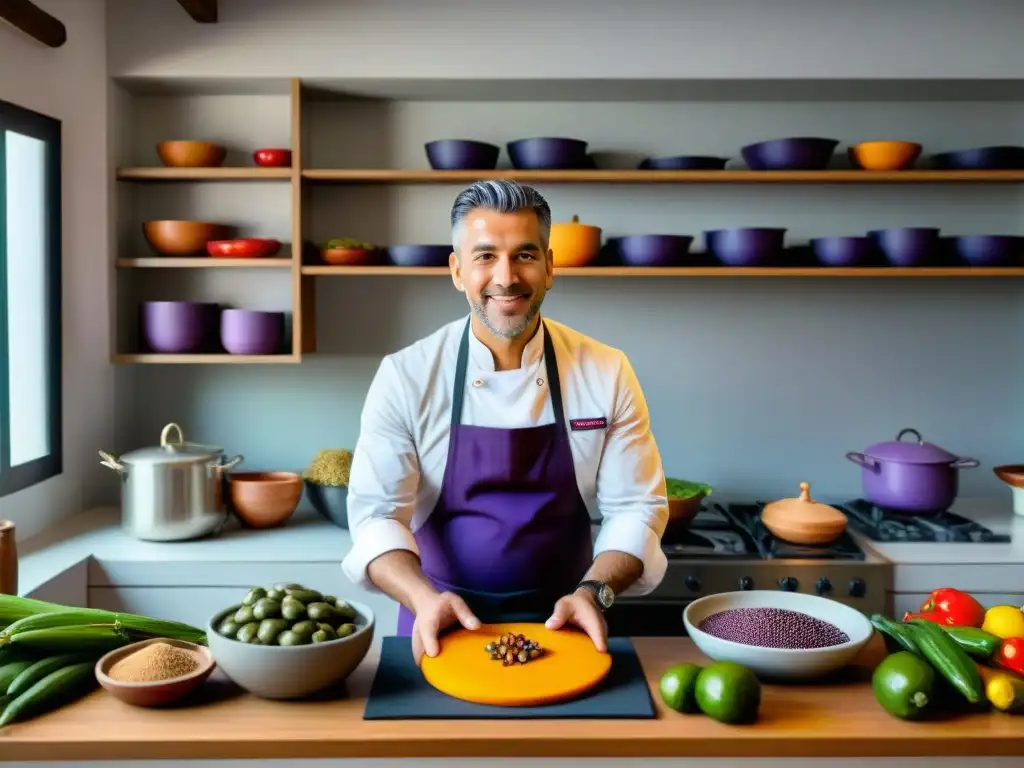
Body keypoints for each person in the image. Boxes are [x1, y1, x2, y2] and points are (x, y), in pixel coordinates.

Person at [341, 179, 669, 663]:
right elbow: (376, 517)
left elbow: (637, 508)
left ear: (550, 267)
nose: (506, 276)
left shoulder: (606, 371)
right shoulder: (407, 376)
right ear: (456, 271)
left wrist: (594, 592)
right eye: (485, 256)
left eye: (525, 255)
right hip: (439, 623)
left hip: (569, 623)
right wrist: (423, 599)